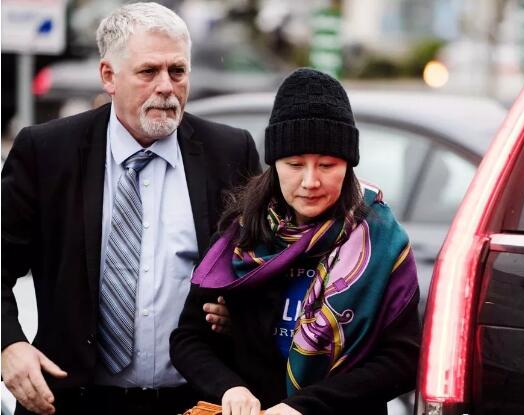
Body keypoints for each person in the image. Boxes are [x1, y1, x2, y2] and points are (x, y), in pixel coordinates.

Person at [1, 3, 260, 415]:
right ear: (109, 76)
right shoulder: (47, 152)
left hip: (193, 402)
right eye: (148, 71)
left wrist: (240, 314)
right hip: (70, 401)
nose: (166, 87)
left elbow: (262, 268)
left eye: (177, 71)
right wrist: (8, 345)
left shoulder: (229, 152)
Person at [170, 68, 420, 415]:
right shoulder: (242, 235)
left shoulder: (381, 242)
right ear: (274, 164)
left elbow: (402, 360)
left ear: (348, 165)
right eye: (295, 164)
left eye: (327, 165)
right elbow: (189, 338)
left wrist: (304, 407)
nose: (310, 181)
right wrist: (230, 388)